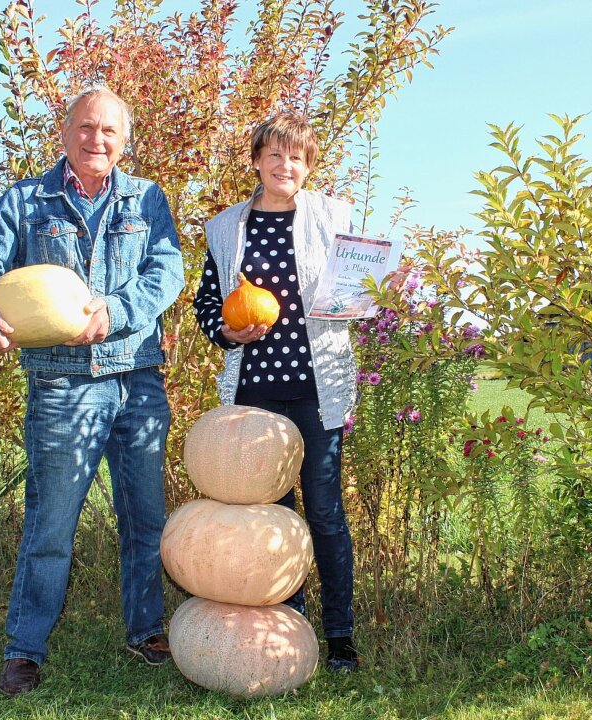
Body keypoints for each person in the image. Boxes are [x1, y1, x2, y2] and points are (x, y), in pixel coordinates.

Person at [0, 87, 185, 696]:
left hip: (137, 377)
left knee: (145, 517)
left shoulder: (147, 198)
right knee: (51, 523)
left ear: (124, 139)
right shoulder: (26, 201)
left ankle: (146, 630)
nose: (95, 139)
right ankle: (25, 648)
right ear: (65, 130)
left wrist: (118, 309)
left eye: (108, 130)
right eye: (85, 127)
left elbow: (166, 272)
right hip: (60, 384)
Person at [192, 112, 360, 673]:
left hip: (319, 390)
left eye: (296, 157)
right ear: (257, 161)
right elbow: (207, 304)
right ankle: (290, 620)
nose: (284, 165)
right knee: (269, 517)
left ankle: (340, 637)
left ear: (309, 165)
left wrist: (363, 297)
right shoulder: (225, 228)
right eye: (274, 155)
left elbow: (363, 291)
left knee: (326, 512)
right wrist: (226, 330)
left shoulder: (337, 218)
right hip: (253, 394)